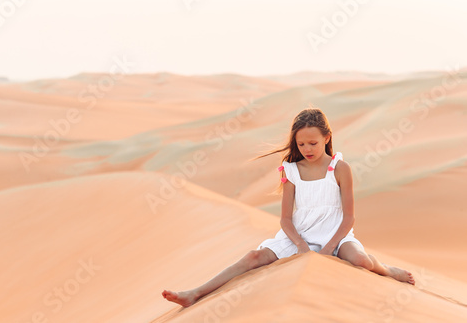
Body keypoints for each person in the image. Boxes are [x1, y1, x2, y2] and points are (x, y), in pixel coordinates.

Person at [162, 107, 414, 308]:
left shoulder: (340, 168)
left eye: (313, 143)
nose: (307, 150)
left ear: (326, 138)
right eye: (301, 144)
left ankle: (388, 270)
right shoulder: (290, 170)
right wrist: (301, 245)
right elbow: (285, 219)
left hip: (336, 235)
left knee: (361, 261)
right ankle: (195, 293)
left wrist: (328, 248)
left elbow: (349, 218)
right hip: (298, 235)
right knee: (254, 257)